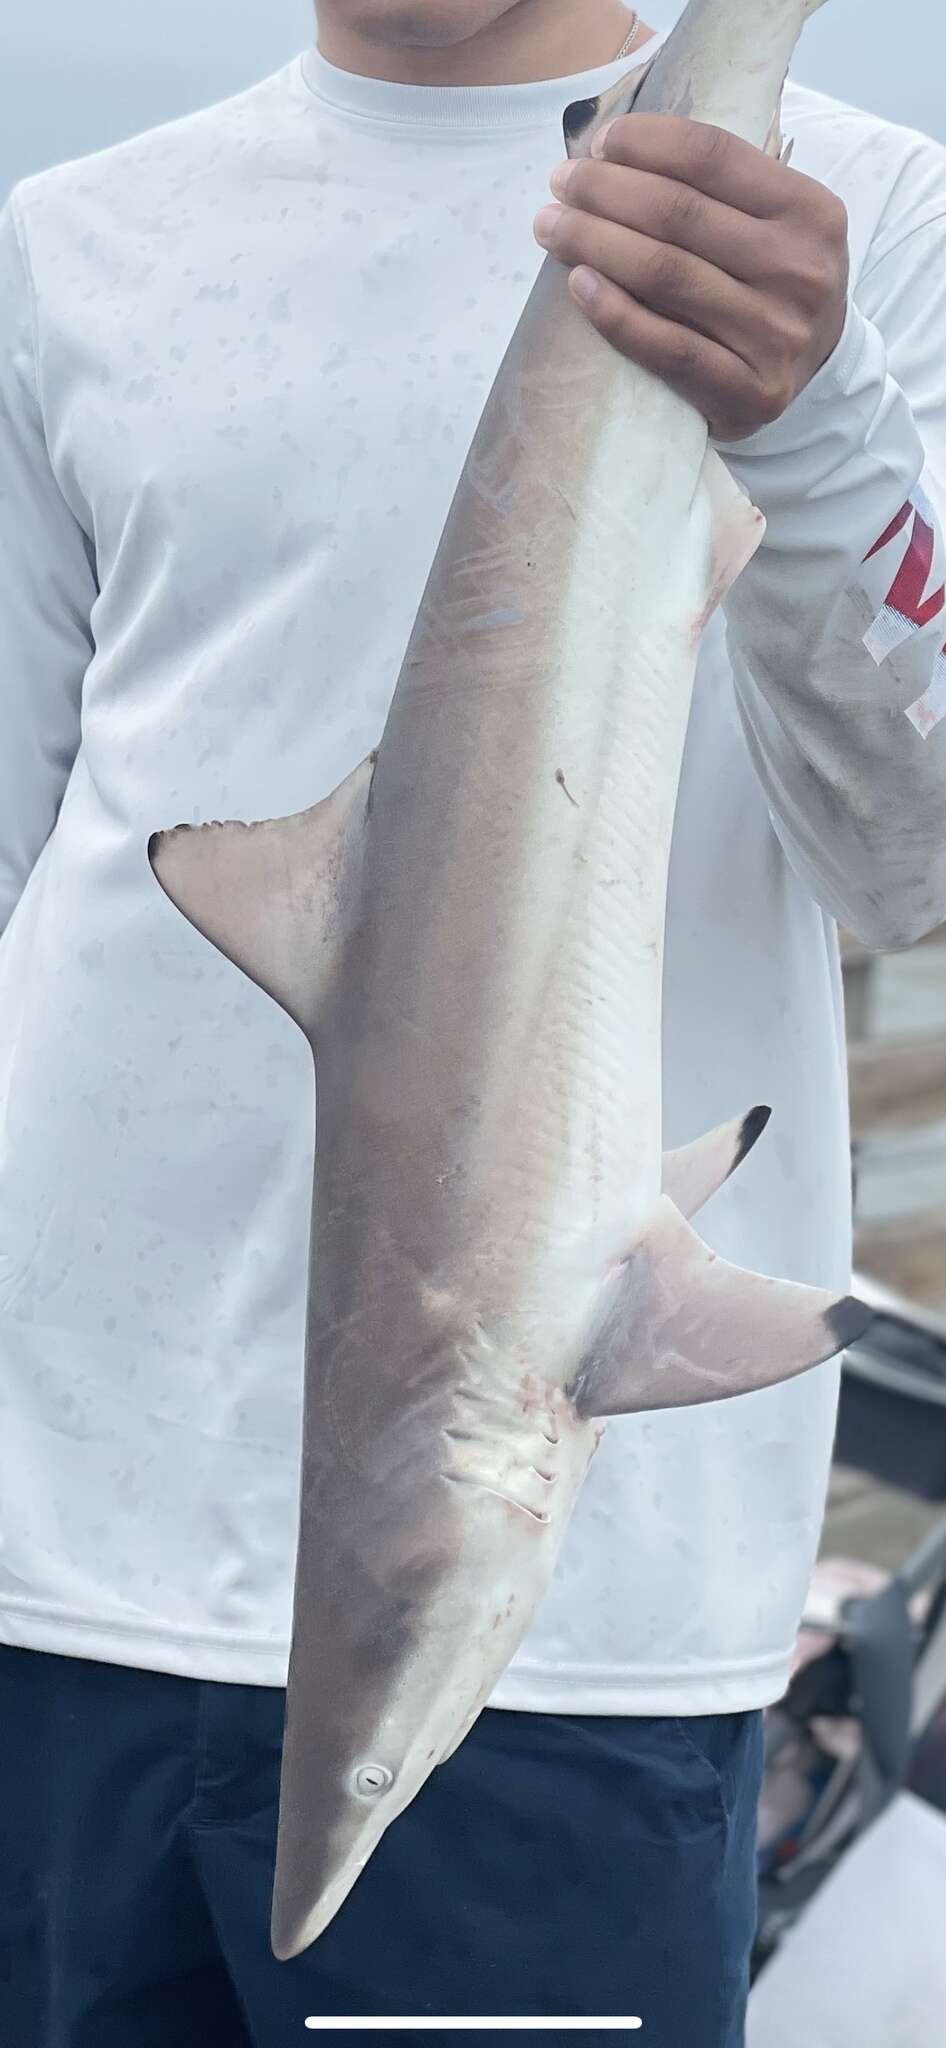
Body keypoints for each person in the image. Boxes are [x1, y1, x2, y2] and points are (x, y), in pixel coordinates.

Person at [0, 0, 944, 2040]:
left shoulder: (867, 215)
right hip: (49, 1597)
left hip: (563, 1657)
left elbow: (917, 862)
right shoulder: (69, 241)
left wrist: (808, 417)